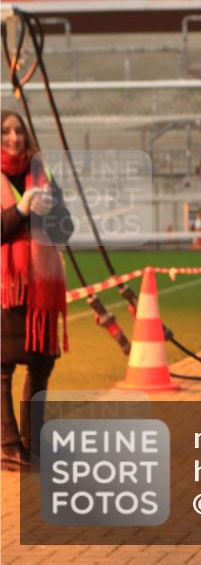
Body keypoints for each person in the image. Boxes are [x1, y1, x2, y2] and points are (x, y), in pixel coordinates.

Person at [1, 109, 73, 470]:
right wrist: (20, 210)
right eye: (5, 132)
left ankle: (35, 441)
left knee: (41, 364)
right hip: (7, 289)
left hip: (43, 287)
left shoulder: (43, 174)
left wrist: (48, 212)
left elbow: (67, 230)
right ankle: (8, 444)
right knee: (2, 367)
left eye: (18, 131)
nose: (14, 138)